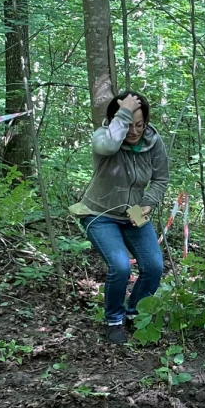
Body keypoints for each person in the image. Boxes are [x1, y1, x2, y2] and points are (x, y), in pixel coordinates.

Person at [72, 90, 169, 344]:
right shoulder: (103, 137)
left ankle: (135, 313)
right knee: (120, 266)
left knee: (154, 266)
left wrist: (149, 203)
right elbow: (110, 145)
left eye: (140, 125)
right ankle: (113, 320)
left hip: (134, 212)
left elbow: (161, 178)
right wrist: (123, 113)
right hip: (98, 212)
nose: (134, 131)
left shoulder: (153, 141)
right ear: (118, 121)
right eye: (128, 124)